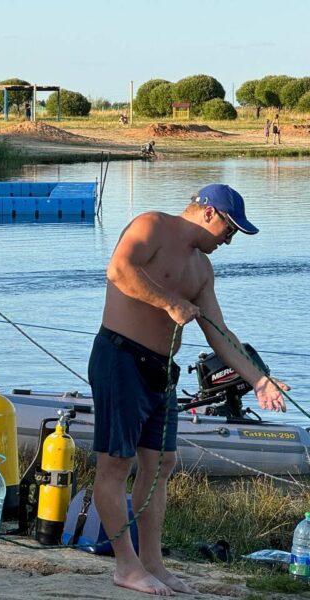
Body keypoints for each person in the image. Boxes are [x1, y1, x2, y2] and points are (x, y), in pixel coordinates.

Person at [89, 183, 289, 596]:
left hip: (161, 370)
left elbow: (220, 333)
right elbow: (119, 271)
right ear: (209, 213)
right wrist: (168, 302)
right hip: (120, 358)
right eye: (230, 229)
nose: (230, 239)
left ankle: (153, 563)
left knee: (162, 464)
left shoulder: (202, 269)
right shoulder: (152, 225)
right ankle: (125, 566)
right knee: (115, 464)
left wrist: (259, 379)